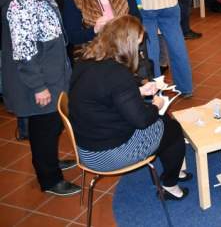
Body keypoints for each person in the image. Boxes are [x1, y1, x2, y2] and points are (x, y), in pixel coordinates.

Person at [69, 16, 190, 200]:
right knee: (172, 128)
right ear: (126, 44)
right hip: (107, 155)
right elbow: (141, 121)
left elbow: (103, 95)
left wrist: (138, 91)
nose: (139, 51)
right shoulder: (118, 74)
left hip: (86, 148)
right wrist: (156, 105)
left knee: (164, 124)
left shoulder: (85, 61)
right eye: (138, 45)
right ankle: (170, 185)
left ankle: (175, 170)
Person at [0, 0, 81, 196]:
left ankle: (50, 162)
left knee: (50, 125)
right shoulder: (22, 3)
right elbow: (24, 51)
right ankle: (49, 179)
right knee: (44, 127)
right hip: (39, 81)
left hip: (51, 74)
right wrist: (39, 87)